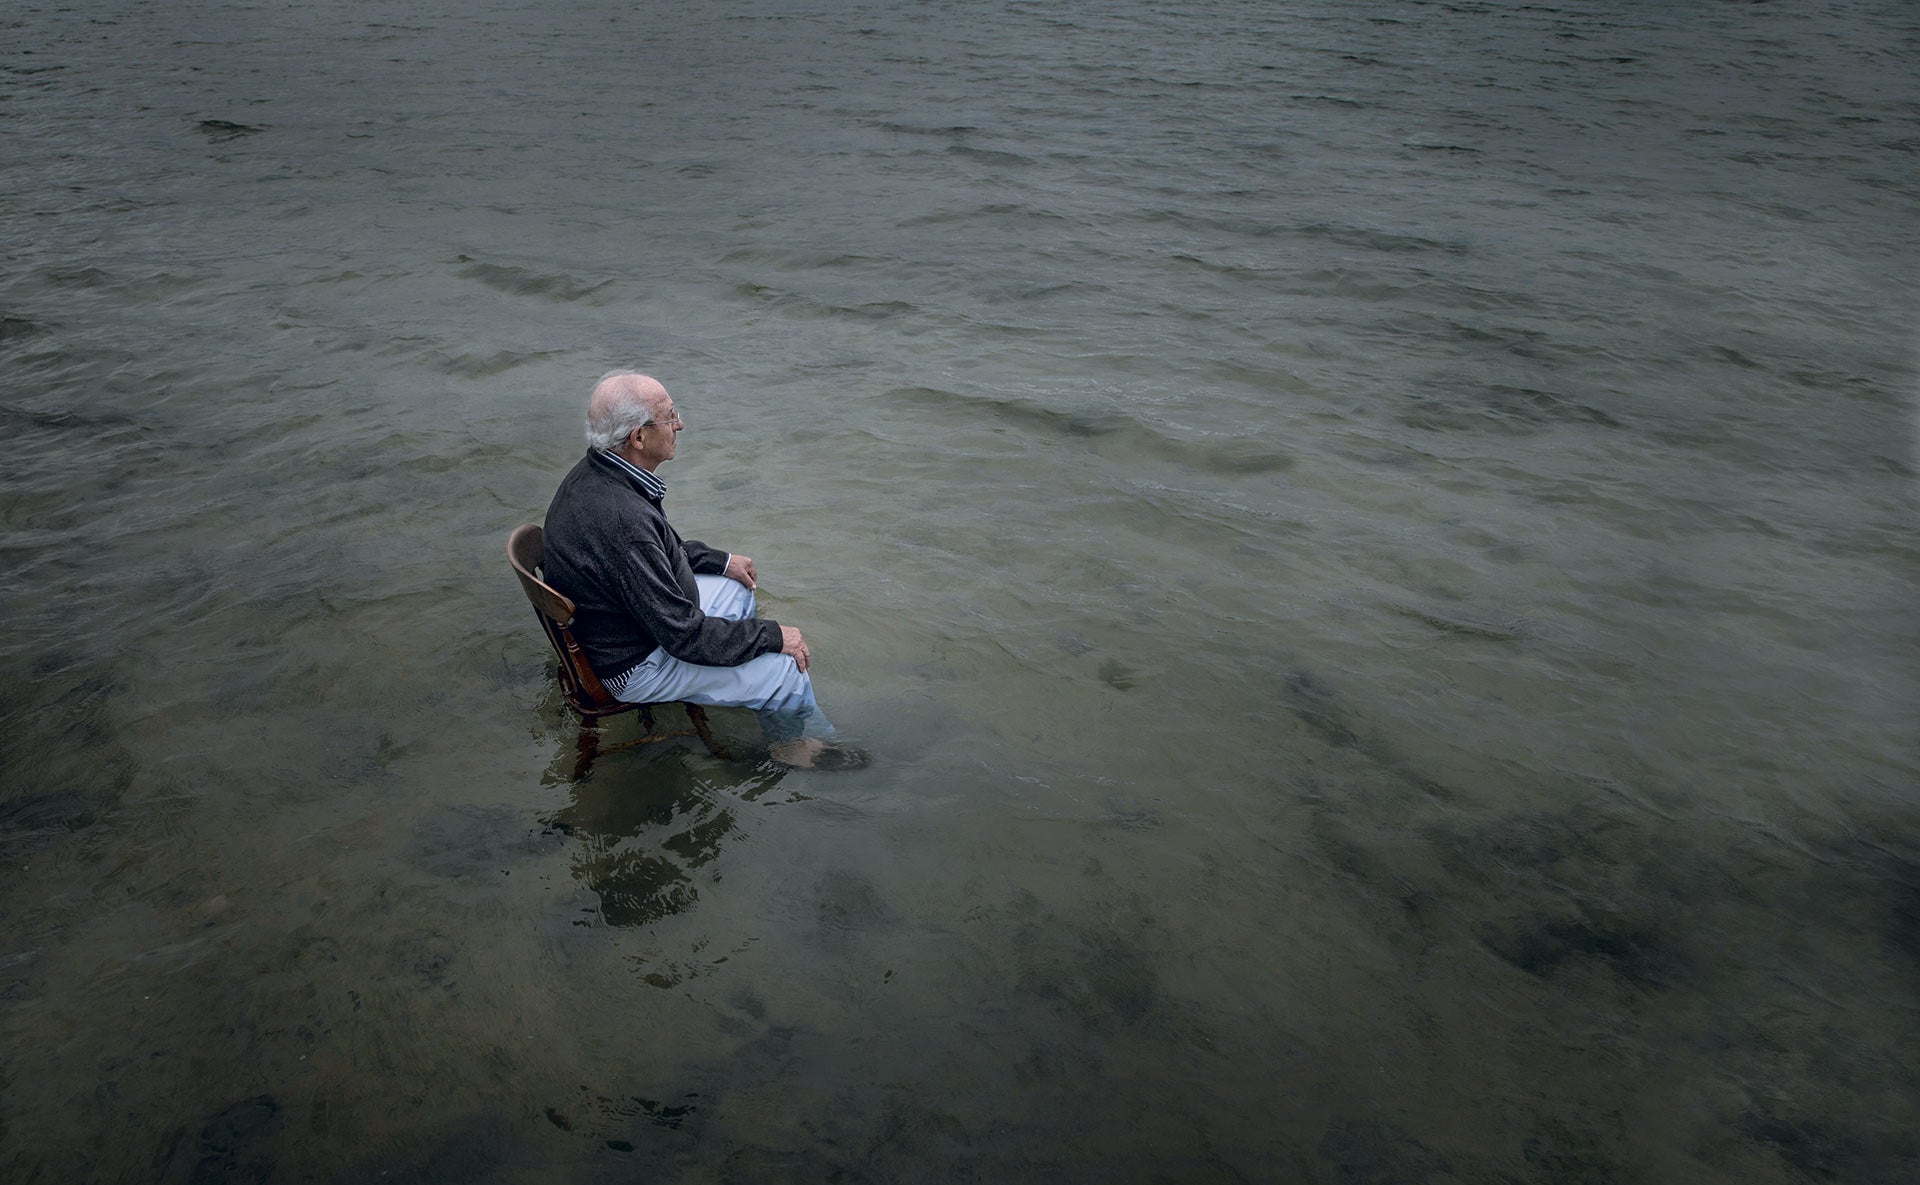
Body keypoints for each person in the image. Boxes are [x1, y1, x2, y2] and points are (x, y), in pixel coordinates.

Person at [540, 371, 858, 769]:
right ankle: (796, 747)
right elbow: (681, 635)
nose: (680, 425)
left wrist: (721, 562)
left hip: (620, 623)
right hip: (633, 661)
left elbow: (658, 551)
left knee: (739, 588)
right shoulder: (623, 521)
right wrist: (776, 637)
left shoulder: (598, 472)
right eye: (669, 416)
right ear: (638, 437)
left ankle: (739, 689)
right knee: (784, 671)